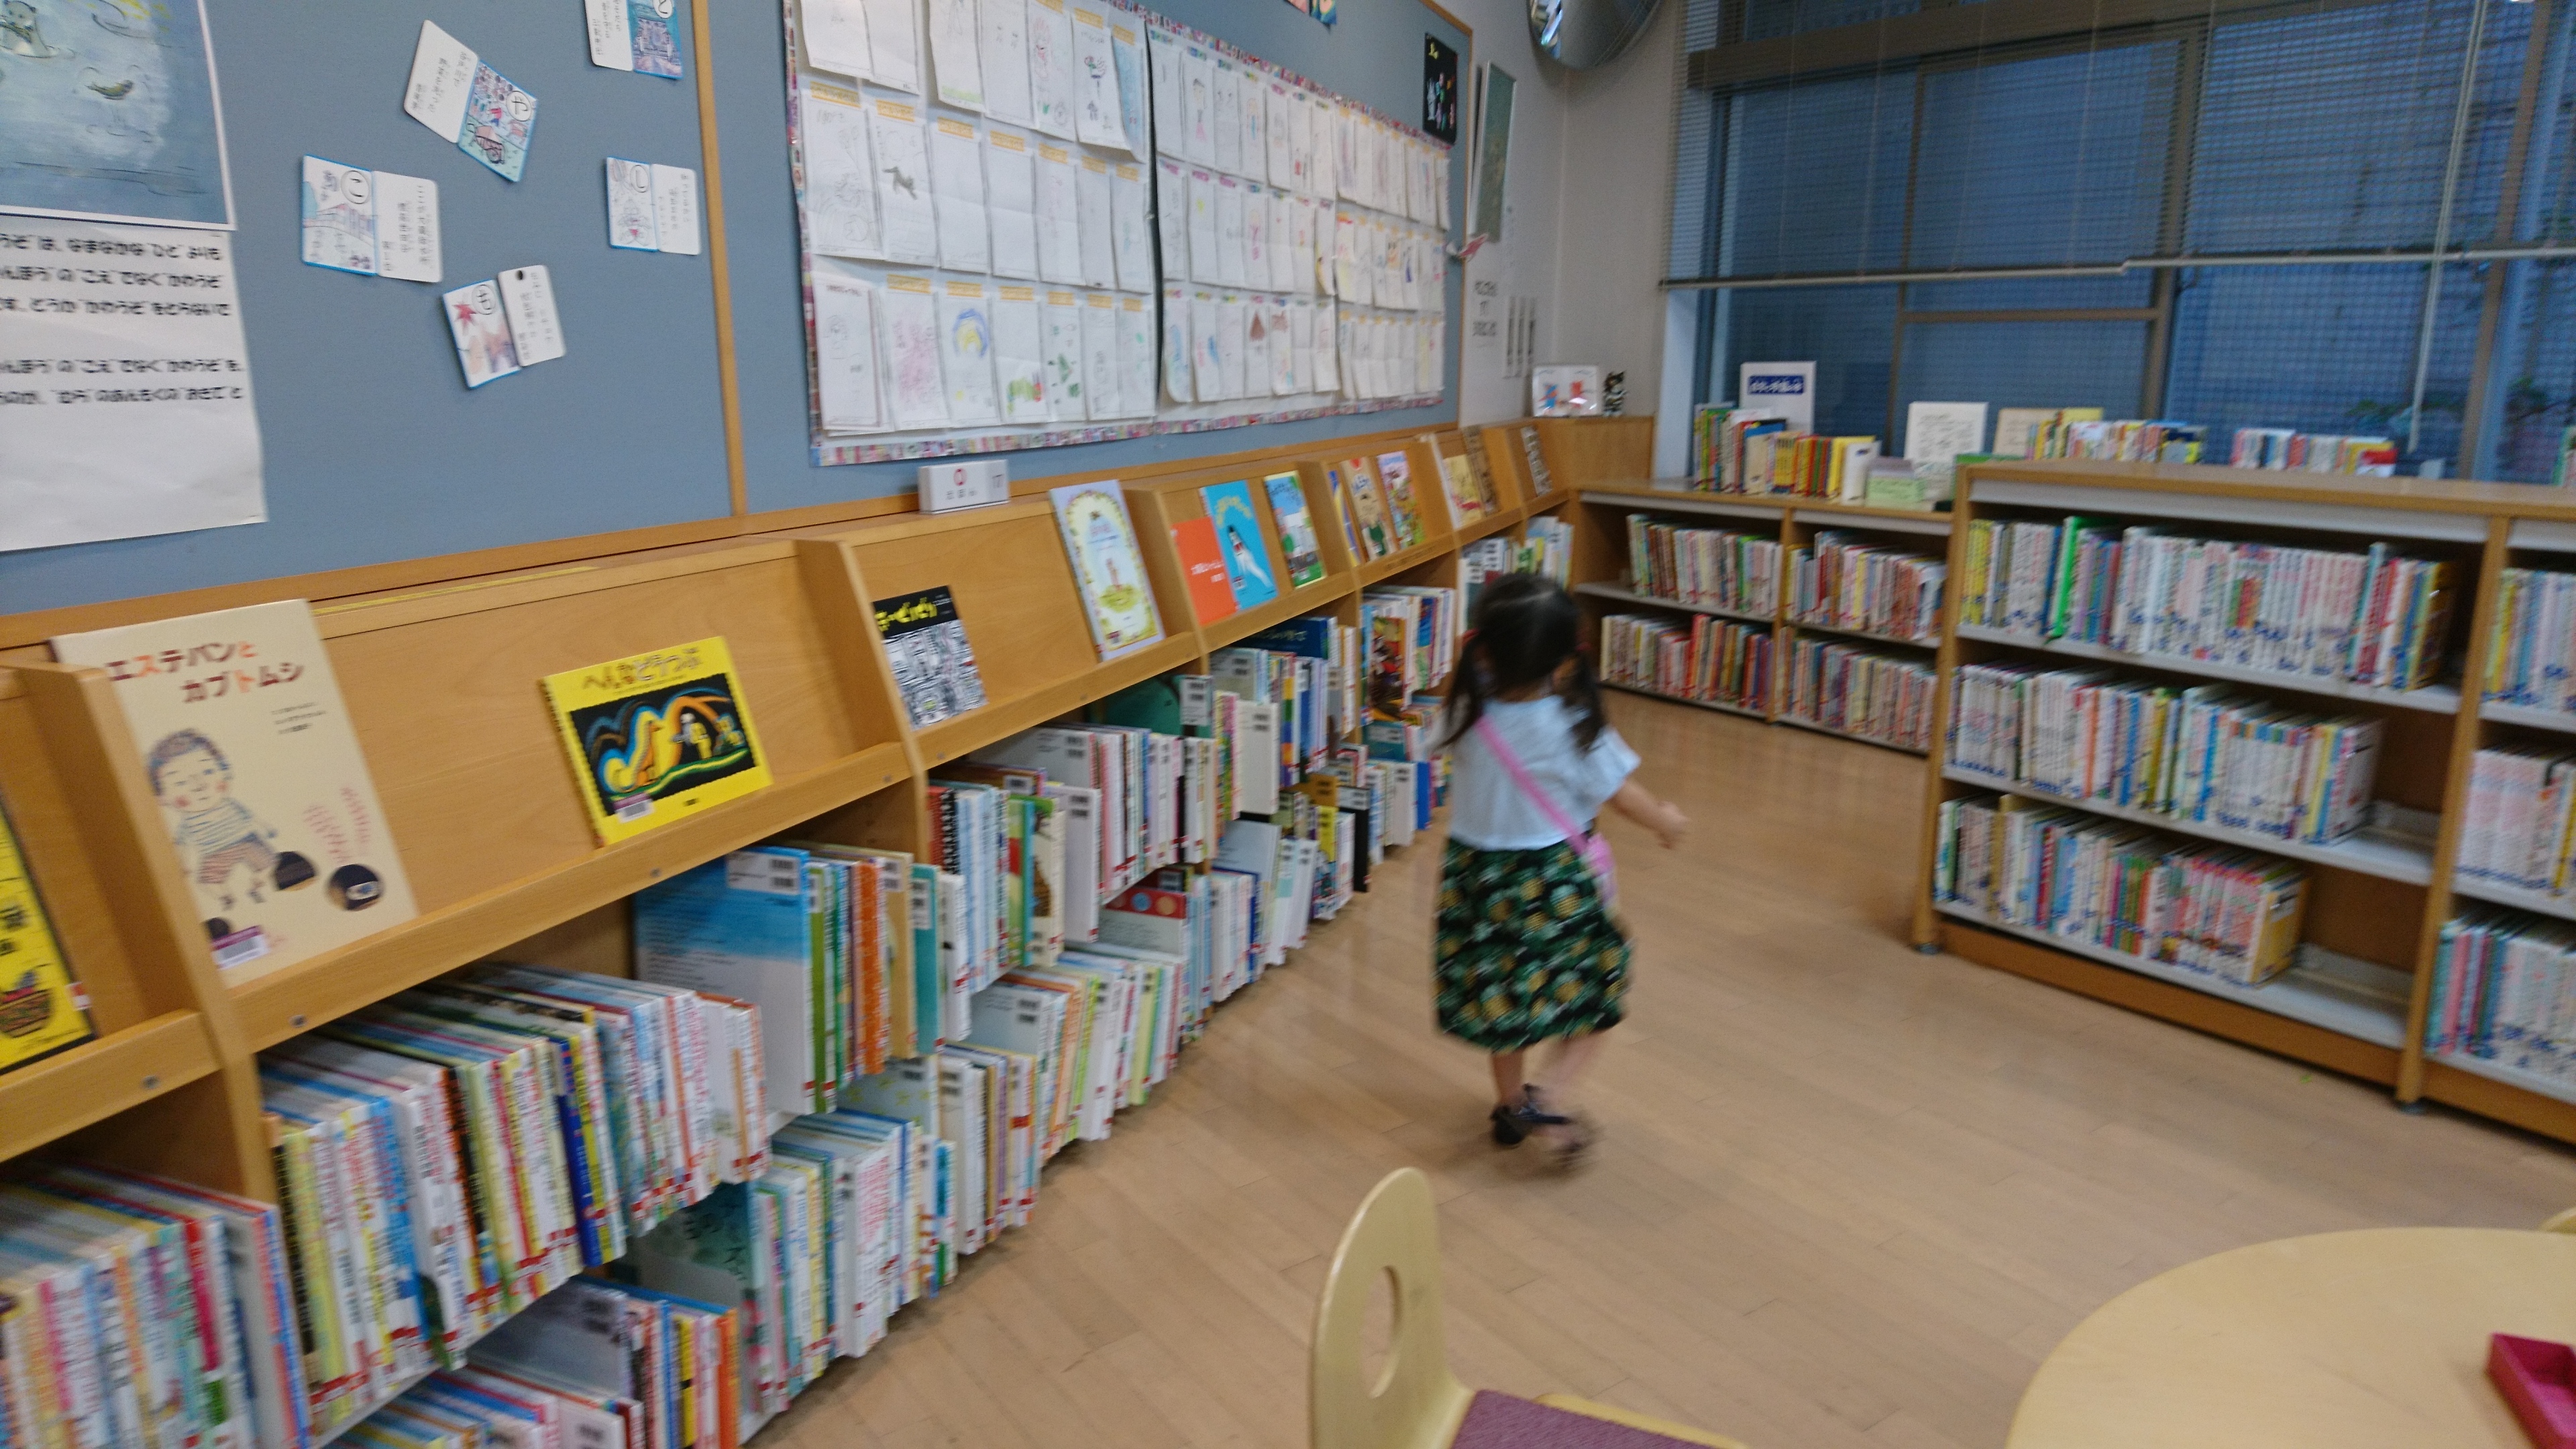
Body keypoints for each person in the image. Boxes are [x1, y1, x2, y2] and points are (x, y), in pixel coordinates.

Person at [1434, 575, 1688, 1166]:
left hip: (1475, 880)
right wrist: (1666, 822)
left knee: (1504, 1002)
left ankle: (1510, 1105)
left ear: (1483, 648)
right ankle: (1550, 1096)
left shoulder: (1464, 716)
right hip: (1547, 885)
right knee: (1600, 986)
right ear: (1571, 656)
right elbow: (1624, 797)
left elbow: (1435, 737)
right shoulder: (1574, 729)